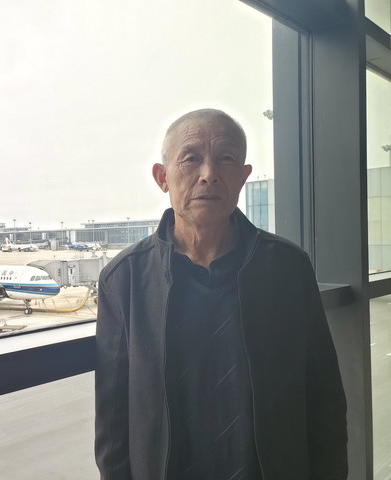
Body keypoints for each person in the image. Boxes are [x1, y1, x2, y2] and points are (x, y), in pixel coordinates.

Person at [95, 109, 348, 479]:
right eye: (191, 158)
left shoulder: (288, 269)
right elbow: (113, 419)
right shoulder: (124, 279)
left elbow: (324, 397)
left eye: (226, 158)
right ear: (162, 177)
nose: (209, 173)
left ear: (243, 177)